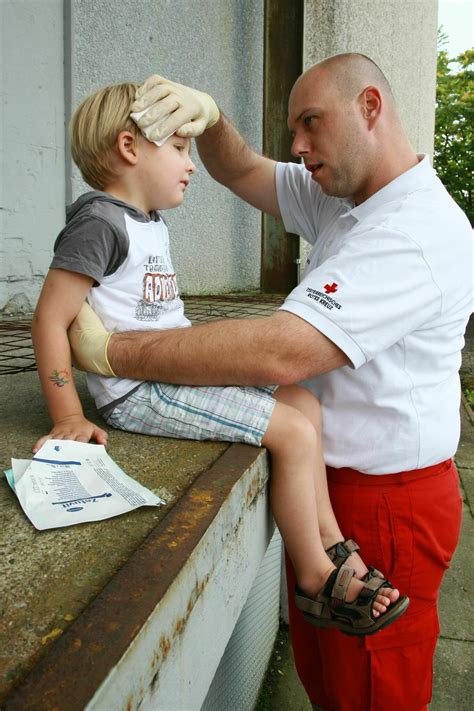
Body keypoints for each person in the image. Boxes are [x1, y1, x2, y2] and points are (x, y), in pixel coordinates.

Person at [67, 54, 472, 711]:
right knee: (330, 680)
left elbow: (283, 352)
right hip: (329, 486)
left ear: (371, 107)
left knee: (372, 694)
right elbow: (244, 170)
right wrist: (212, 116)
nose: (299, 148)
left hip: (386, 501)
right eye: (292, 132)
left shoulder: (417, 232)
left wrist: (115, 350)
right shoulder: (345, 194)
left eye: (311, 123)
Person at [32, 80, 407, 640]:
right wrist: (67, 413)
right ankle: (313, 578)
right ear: (131, 148)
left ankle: (331, 542)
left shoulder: (146, 221)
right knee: (294, 434)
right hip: (140, 390)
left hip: (167, 371)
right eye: (180, 149)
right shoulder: (99, 223)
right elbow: (48, 319)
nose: (191, 164)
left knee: (305, 401)